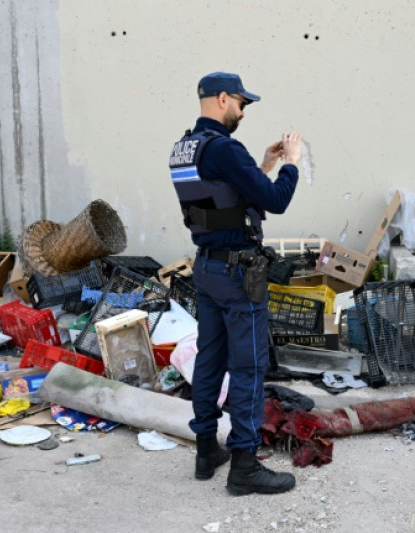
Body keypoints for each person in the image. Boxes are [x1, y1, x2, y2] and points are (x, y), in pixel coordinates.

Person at [169, 72, 302, 495]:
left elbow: (224, 199)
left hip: (206, 268)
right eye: (241, 104)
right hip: (237, 274)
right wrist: (292, 162)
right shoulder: (225, 148)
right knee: (249, 366)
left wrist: (263, 165)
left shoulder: (185, 148)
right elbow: (274, 200)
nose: (242, 112)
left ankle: (206, 450)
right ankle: (244, 464)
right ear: (222, 98)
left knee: (210, 360)